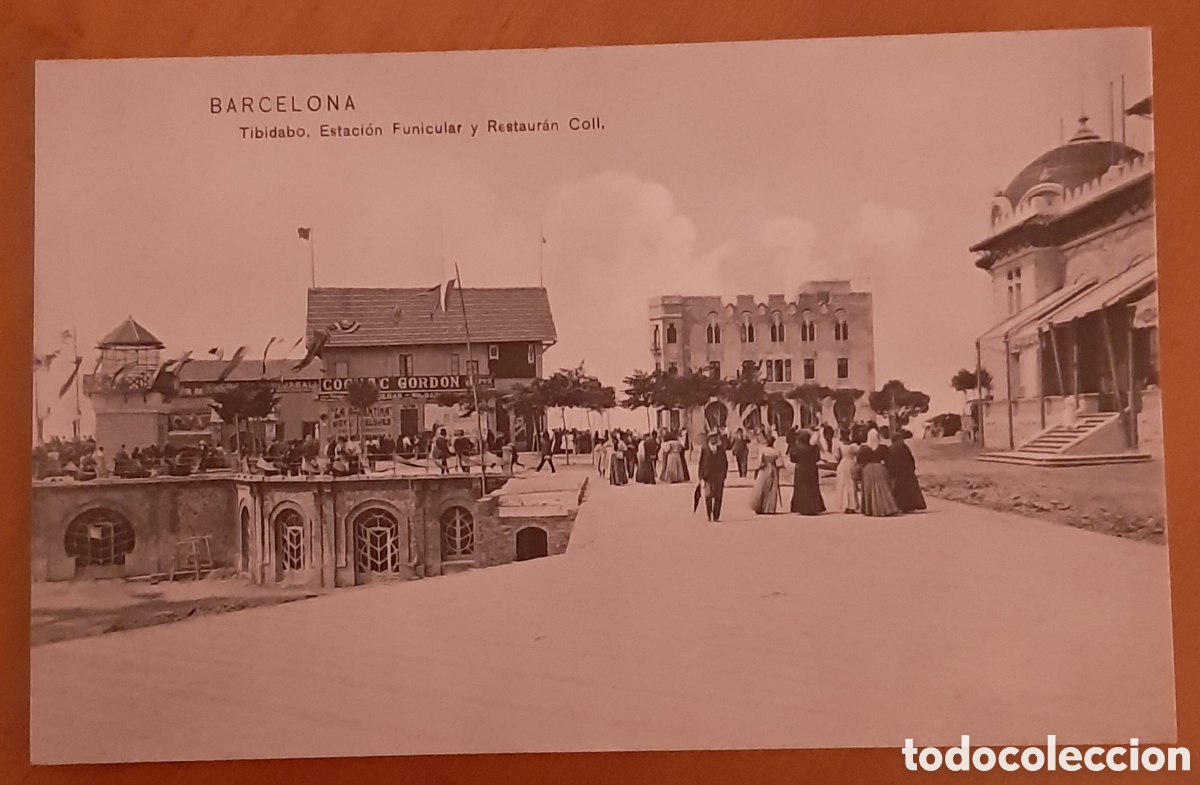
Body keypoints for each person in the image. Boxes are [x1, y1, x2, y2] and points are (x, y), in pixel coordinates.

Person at [857, 429, 900, 517]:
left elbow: (859, 460)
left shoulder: (863, 449)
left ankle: (869, 509)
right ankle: (885, 508)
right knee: (882, 489)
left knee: (869, 489)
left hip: (867, 470)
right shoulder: (882, 448)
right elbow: (889, 460)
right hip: (879, 468)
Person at [885, 431, 927, 513]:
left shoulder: (892, 448)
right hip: (907, 471)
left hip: (898, 473)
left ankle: (902, 506)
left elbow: (890, 461)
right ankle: (910, 505)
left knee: (900, 490)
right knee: (909, 489)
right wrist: (912, 468)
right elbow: (910, 459)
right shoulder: (904, 447)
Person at [789, 430, 826, 515]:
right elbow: (817, 458)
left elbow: (792, 459)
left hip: (800, 469)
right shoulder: (814, 448)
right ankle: (813, 507)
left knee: (800, 488)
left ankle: (801, 507)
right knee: (812, 488)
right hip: (811, 468)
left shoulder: (796, 448)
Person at [750, 429, 784, 514]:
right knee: (771, 489)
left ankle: (760, 507)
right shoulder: (776, 451)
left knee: (761, 488)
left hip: (764, 469)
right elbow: (780, 464)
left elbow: (759, 463)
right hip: (773, 469)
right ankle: (769, 508)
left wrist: (757, 469)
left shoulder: (763, 450)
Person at [697, 431, 728, 521]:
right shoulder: (704, 449)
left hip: (718, 477)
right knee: (708, 496)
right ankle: (709, 514)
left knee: (718, 497)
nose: (714, 439)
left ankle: (716, 516)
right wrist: (701, 476)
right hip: (708, 476)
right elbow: (701, 463)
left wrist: (723, 475)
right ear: (709, 439)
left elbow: (725, 463)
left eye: (715, 437)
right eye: (712, 438)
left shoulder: (721, 450)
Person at [832, 429, 859, 513]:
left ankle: (845, 505)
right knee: (851, 484)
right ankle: (852, 505)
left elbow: (836, 456)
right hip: (851, 463)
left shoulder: (838, 444)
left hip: (842, 464)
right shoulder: (853, 445)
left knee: (843, 484)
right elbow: (858, 453)